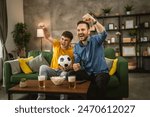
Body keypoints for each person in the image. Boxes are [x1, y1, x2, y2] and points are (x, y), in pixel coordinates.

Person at [70, 13, 110, 99]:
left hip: (101, 73)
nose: (80, 32)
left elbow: (103, 33)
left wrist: (92, 19)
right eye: (78, 30)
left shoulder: (96, 39)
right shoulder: (76, 47)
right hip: (88, 73)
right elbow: (77, 62)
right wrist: (75, 65)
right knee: (70, 75)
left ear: (88, 31)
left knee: (100, 82)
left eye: (83, 30)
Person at [37, 28, 74, 100]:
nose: (63, 41)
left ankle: (63, 100)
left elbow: (72, 66)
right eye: (62, 39)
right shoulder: (57, 44)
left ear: (70, 42)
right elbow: (47, 36)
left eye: (66, 40)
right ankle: (41, 97)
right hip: (52, 70)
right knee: (43, 67)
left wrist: (68, 68)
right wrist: (44, 29)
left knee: (64, 74)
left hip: (62, 72)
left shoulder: (72, 51)